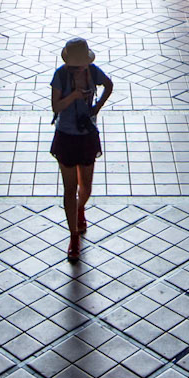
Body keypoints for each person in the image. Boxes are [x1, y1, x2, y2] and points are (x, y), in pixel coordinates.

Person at [50, 36, 112, 261]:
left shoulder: (93, 72)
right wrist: (74, 96)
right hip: (66, 136)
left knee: (86, 187)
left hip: (86, 135)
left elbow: (109, 85)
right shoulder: (60, 76)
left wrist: (97, 107)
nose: (80, 69)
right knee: (70, 188)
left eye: (82, 65)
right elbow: (56, 106)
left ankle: (79, 208)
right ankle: (73, 235)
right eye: (76, 66)